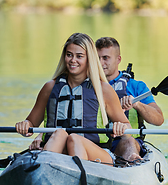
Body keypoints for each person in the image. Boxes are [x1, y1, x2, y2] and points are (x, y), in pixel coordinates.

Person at [16, 33, 132, 164]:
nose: (73, 60)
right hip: (59, 151)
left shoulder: (103, 89)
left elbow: (127, 126)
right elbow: (31, 123)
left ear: (89, 58)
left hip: (97, 155)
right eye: (69, 54)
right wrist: (25, 125)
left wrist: (121, 126)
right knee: (59, 134)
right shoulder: (50, 88)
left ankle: (78, 175)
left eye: (79, 56)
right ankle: (45, 169)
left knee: (75, 139)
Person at [95, 37, 164, 161]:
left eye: (105, 58)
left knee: (129, 141)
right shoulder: (85, 85)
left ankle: (133, 160)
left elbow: (159, 119)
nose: (100, 63)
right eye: (97, 58)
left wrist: (137, 104)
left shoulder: (136, 86)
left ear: (118, 59)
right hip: (95, 144)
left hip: (126, 142)